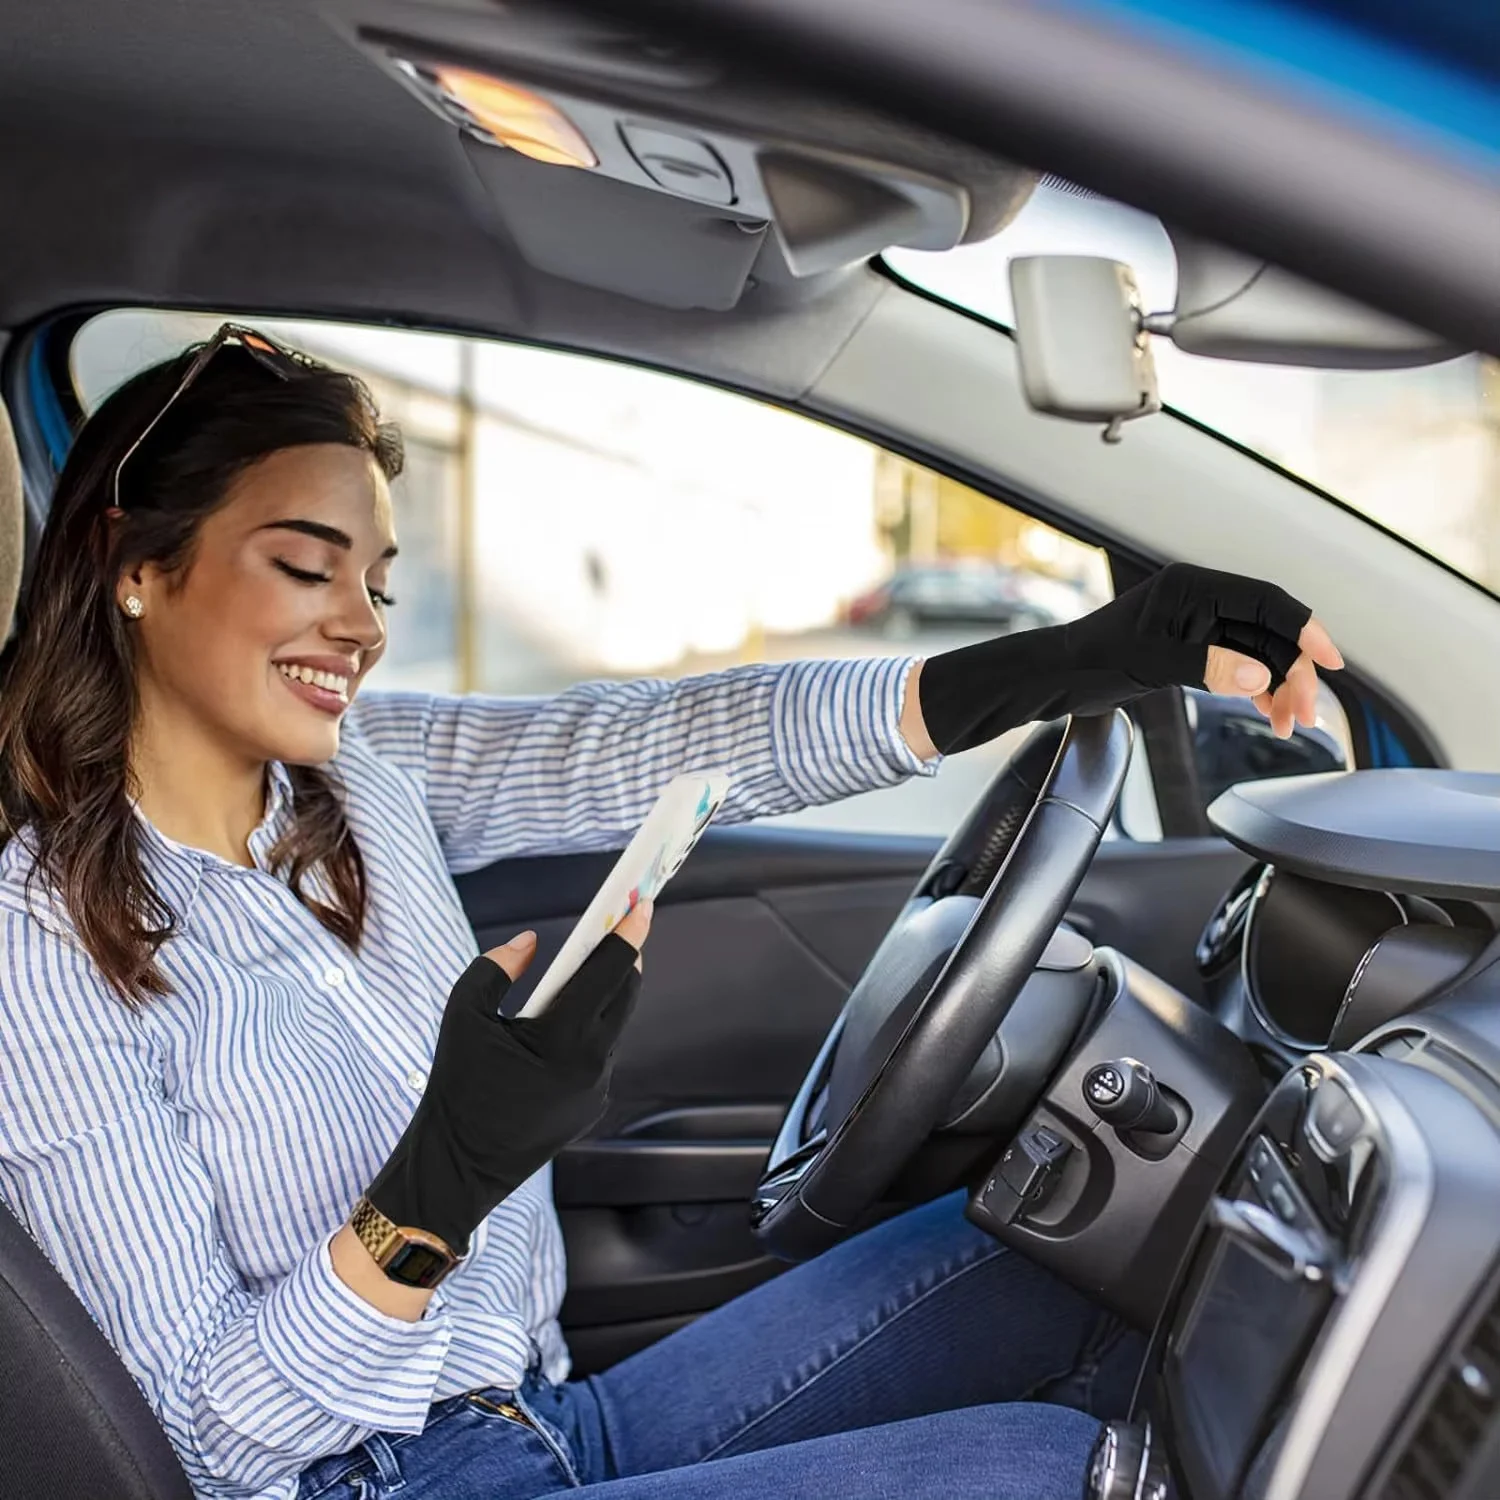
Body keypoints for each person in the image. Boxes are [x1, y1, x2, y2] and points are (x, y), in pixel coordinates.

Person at [0, 326, 1343, 1500]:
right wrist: (435, 1190)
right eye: (309, 565)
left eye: (381, 583)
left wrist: (1080, 657)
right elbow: (201, 1438)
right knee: (1045, 1478)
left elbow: (673, 741)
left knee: (1079, 1245)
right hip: (353, 1484)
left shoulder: (364, 773)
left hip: (550, 1420)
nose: (361, 623)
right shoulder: (38, 939)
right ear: (136, 565)